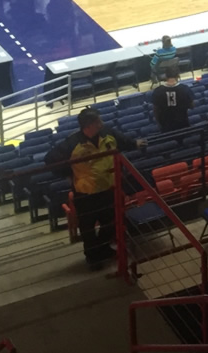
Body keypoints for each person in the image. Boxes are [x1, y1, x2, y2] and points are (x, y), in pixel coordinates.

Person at [46, 108, 144, 268]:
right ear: (88, 125)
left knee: (111, 222)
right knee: (88, 228)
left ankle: (102, 249)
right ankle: (93, 258)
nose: (101, 124)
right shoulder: (72, 143)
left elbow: (122, 140)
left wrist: (134, 144)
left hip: (108, 188)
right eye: (98, 122)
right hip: (86, 194)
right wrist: (68, 173)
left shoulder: (107, 133)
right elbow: (50, 159)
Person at [152, 65, 194, 136]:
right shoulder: (185, 89)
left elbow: (155, 111)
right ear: (178, 75)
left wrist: (159, 124)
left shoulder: (157, 91)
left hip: (166, 128)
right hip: (183, 125)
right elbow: (192, 106)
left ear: (165, 75)